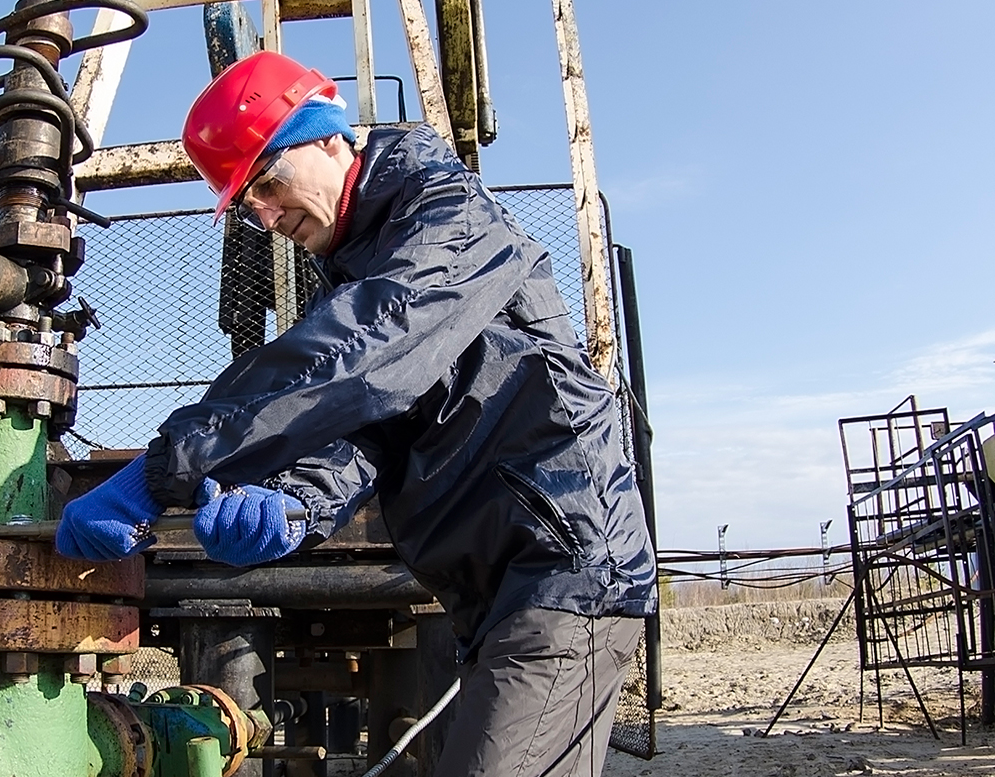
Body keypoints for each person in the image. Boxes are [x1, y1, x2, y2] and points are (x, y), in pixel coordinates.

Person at [56, 51, 657, 777]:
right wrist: (295, 506)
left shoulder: (447, 217)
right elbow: (375, 422)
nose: (267, 217)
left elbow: (364, 350)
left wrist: (163, 472)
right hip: (496, 586)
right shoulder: (362, 268)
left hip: (563, 568)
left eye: (269, 184)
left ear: (330, 139)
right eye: (248, 205)